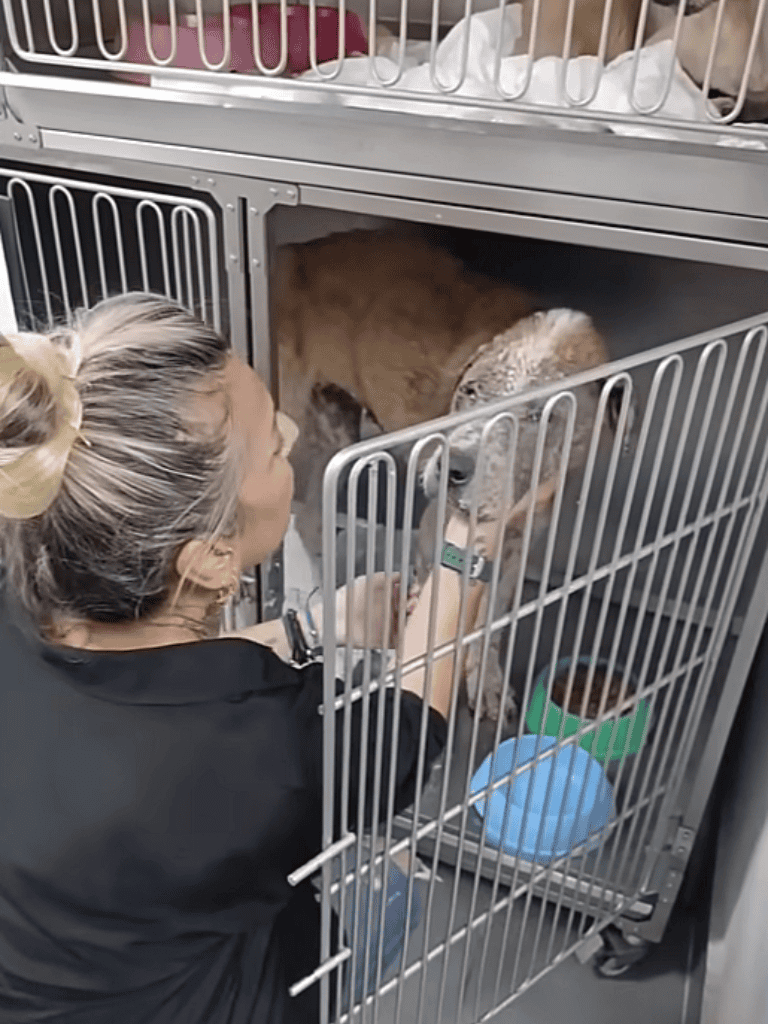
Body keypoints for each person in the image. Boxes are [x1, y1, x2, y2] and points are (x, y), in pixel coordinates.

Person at [0, 293, 504, 1023]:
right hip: (213, 1005)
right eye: (272, 446)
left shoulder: (24, 582)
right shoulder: (251, 748)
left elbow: (148, 685)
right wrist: (474, 536)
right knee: (393, 892)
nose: (293, 435)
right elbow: (397, 743)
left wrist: (315, 626)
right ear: (211, 557)